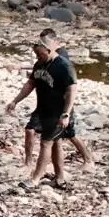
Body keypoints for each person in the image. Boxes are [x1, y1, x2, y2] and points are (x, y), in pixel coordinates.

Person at [14, 32, 78, 187]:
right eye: (36, 55)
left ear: (49, 51)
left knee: (46, 143)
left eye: (40, 54)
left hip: (59, 112)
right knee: (56, 143)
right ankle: (60, 178)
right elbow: (30, 84)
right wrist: (15, 101)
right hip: (44, 110)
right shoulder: (39, 64)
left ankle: (35, 179)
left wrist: (66, 114)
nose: (38, 58)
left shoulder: (64, 66)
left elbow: (72, 90)